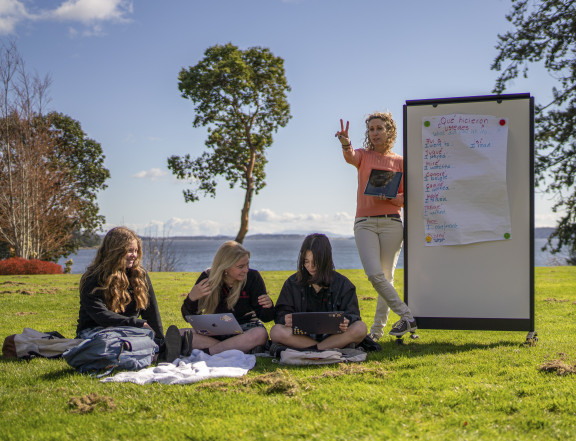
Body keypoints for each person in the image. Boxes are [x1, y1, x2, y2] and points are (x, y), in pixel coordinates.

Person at [335, 112, 417, 338]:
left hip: (392, 223)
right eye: (371, 129)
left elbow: (405, 197)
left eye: (379, 128)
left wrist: (389, 197)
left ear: (389, 131)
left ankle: (377, 332)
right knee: (374, 274)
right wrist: (345, 143)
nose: (375, 133)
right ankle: (407, 316)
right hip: (364, 223)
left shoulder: (401, 162)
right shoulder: (363, 156)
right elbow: (350, 156)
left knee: (386, 277)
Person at [76, 226, 185, 363]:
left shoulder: (140, 275)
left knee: (144, 338)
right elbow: (100, 315)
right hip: (96, 331)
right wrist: (136, 323)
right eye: (129, 251)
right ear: (115, 252)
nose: (134, 255)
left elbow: (151, 312)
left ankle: (161, 349)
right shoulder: (93, 278)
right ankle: (156, 355)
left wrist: (160, 339)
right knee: (113, 344)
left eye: (136, 251)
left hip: (130, 331)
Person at [269, 233, 367, 353]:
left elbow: (354, 315)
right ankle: (324, 349)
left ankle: (315, 350)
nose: (310, 267)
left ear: (326, 260)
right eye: (306, 262)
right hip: (301, 337)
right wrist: (286, 319)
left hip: (334, 337)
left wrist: (346, 321)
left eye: (315, 262)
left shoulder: (343, 284)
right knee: (276, 331)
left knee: (360, 328)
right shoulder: (292, 282)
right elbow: (281, 313)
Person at [181, 240, 274, 355]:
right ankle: (234, 348)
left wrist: (268, 306)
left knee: (260, 334)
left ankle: (209, 351)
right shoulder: (207, 278)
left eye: (247, 264)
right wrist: (192, 298)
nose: (246, 270)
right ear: (225, 267)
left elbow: (266, 317)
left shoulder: (252, 277)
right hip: (216, 331)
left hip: (245, 331)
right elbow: (189, 318)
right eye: (241, 266)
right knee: (179, 333)